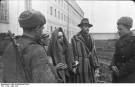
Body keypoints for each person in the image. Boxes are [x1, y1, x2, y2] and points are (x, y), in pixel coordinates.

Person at [2, 10, 57, 83]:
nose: (42, 30)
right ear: (37, 28)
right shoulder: (37, 50)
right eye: (42, 27)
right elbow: (46, 82)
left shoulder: (10, 46)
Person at [71, 18, 99, 83]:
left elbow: (94, 54)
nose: (87, 28)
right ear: (81, 27)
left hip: (90, 66)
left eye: (88, 27)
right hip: (81, 67)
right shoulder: (75, 38)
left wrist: (97, 67)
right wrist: (74, 66)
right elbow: (73, 54)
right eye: (85, 26)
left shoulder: (91, 39)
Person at [110, 17, 135, 83]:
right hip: (116, 76)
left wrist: (120, 71)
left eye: (120, 29)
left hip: (128, 77)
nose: (118, 31)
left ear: (128, 29)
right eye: (118, 29)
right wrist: (112, 65)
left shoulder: (133, 41)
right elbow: (115, 55)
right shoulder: (118, 41)